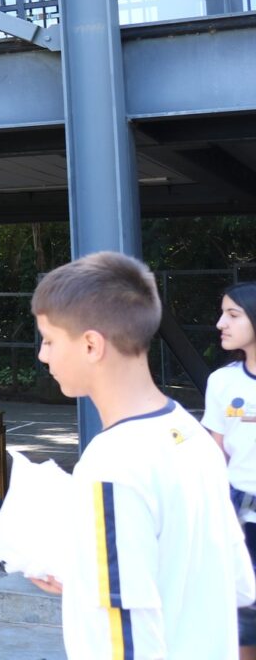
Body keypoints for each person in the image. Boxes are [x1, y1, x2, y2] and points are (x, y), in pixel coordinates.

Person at [31, 251, 254, 658]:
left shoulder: (111, 464)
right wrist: (88, 577)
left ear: (91, 344)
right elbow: (237, 582)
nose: (43, 354)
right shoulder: (192, 434)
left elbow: (125, 639)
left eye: (49, 340)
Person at [207, 282, 256, 659]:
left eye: (233, 315)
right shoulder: (223, 381)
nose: (220, 323)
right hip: (241, 521)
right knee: (243, 626)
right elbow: (214, 457)